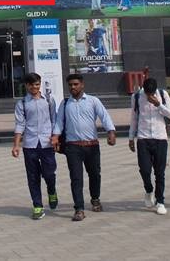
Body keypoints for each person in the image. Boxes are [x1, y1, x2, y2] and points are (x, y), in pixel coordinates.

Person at [51, 73, 116, 222]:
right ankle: (79, 208)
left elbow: (104, 116)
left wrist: (111, 132)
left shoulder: (93, 101)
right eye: (70, 85)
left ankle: (95, 199)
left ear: (82, 85)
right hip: (73, 147)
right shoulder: (65, 103)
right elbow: (59, 122)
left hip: (91, 146)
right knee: (76, 178)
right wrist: (55, 136)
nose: (73, 87)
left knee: (95, 174)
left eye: (75, 84)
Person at [12, 72, 59, 220]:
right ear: (26, 86)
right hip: (30, 144)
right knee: (33, 177)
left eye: (37, 84)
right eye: (31, 85)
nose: (35, 87)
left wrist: (56, 137)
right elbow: (20, 125)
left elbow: (54, 120)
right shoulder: (22, 103)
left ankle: (52, 191)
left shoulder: (49, 100)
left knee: (49, 173)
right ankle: (37, 206)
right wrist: (16, 145)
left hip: (47, 143)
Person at [128, 77, 170, 215]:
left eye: (152, 93)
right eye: (148, 93)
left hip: (160, 138)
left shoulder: (163, 95)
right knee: (145, 169)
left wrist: (158, 104)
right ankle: (148, 190)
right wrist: (131, 137)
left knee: (160, 172)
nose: (150, 96)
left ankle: (160, 201)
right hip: (143, 138)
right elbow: (134, 117)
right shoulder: (136, 96)